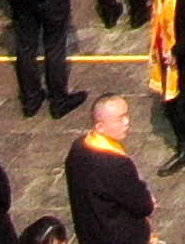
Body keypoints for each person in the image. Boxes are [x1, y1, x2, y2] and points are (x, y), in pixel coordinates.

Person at [63, 96, 153, 244]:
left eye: (127, 115)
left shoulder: (78, 147)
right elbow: (142, 205)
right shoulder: (116, 164)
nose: (126, 122)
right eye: (120, 119)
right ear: (100, 126)